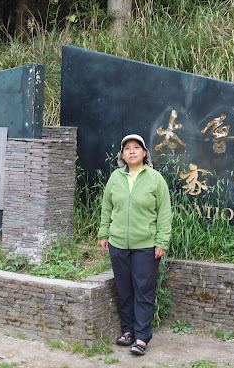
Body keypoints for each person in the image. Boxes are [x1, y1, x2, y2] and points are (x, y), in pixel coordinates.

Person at [97, 134, 172, 356]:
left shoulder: (155, 179)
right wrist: (104, 233)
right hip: (118, 243)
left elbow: (164, 212)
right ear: (122, 155)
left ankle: (141, 336)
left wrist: (161, 241)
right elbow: (107, 208)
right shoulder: (115, 178)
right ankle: (127, 331)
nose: (131, 151)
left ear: (144, 152)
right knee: (124, 289)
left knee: (144, 290)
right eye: (127, 148)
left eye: (136, 148)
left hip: (146, 245)